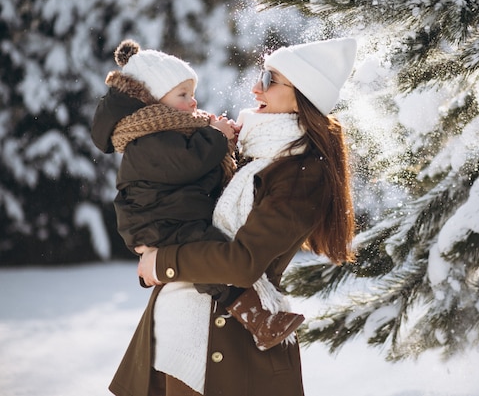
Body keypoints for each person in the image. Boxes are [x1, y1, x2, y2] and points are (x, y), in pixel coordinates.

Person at [110, 37, 358, 396]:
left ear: (302, 96)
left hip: (227, 348)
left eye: (271, 80)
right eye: (262, 75)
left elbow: (243, 263)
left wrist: (162, 260)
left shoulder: (301, 173)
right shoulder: (249, 154)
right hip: (178, 334)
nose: (257, 87)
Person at [91, 40, 306, 358]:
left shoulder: (171, 132)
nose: (192, 102)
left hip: (166, 215)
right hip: (159, 222)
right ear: (153, 101)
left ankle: (260, 315)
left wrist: (220, 138)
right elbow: (189, 163)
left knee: (212, 249)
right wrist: (216, 137)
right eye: (182, 95)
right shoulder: (148, 141)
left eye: (191, 94)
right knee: (212, 254)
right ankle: (258, 318)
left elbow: (194, 168)